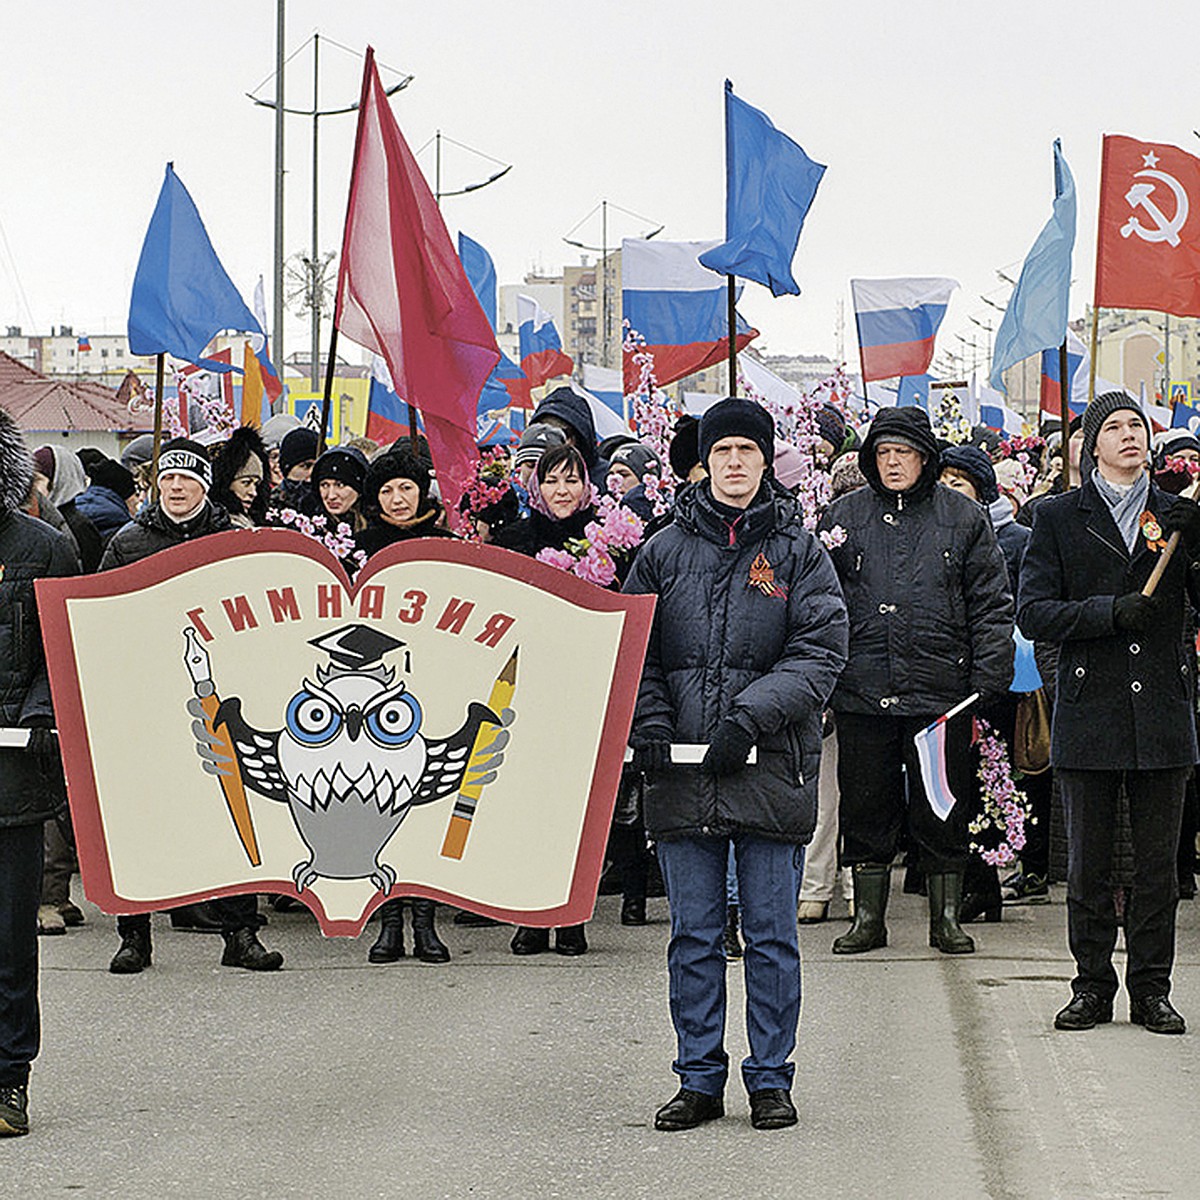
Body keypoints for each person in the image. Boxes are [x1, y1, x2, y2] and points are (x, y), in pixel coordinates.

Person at [624, 396, 848, 1132]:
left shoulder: (796, 551)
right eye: (723, 451)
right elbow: (636, 654)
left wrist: (750, 716)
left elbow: (819, 651)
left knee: (771, 935)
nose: (735, 463)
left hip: (768, 766)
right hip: (683, 773)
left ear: (765, 460)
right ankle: (697, 1077)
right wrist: (651, 722)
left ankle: (770, 1077)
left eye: (748, 451)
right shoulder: (660, 551)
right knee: (692, 935)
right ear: (705, 461)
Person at [1019, 393, 1200, 1034]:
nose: (1129, 435)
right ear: (1091, 445)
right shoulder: (1060, 517)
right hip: (1090, 705)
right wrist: (1106, 612)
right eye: (1114, 428)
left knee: (1157, 868)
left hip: (1162, 709)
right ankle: (1092, 985)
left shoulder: (1176, 517)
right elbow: (1034, 611)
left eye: (1137, 426)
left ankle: (1152, 988)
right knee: (1089, 864)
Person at [818, 407, 1013, 956]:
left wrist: (988, 674)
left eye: (903, 452)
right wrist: (830, 674)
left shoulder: (964, 517)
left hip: (940, 695)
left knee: (942, 805)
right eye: (883, 453)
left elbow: (992, 603)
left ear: (924, 457)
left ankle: (945, 918)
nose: (893, 462)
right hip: (863, 689)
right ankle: (868, 920)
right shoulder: (842, 517)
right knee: (866, 806)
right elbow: (821, 603)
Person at [101, 438, 283, 974]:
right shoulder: (127, 542)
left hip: (219, 693)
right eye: (168, 479)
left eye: (188, 479)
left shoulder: (234, 538)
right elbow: (102, 613)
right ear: (157, 484)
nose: (177, 488)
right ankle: (133, 934)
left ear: (206, 484)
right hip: (147, 695)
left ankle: (239, 933)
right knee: (140, 818)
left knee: (232, 809)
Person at [0, 409, 80, 1136]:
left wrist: (35, 718)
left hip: (11, 780)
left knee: (6, 941)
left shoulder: (45, 549)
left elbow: (64, 655)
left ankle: (8, 1080)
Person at [353, 449, 454, 965]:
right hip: (371, 695)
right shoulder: (357, 550)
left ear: (422, 492)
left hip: (435, 689)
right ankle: (388, 921)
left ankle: (426, 921)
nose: (397, 500)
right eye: (388, 491)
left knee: (427, 809)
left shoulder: (447, 547)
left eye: (406, 489)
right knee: (382, 804)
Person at [210, 426, 270, 529]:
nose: (253, 493)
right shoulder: (214, 523)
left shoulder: (256, 521)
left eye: (256, 485)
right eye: (246, 483)